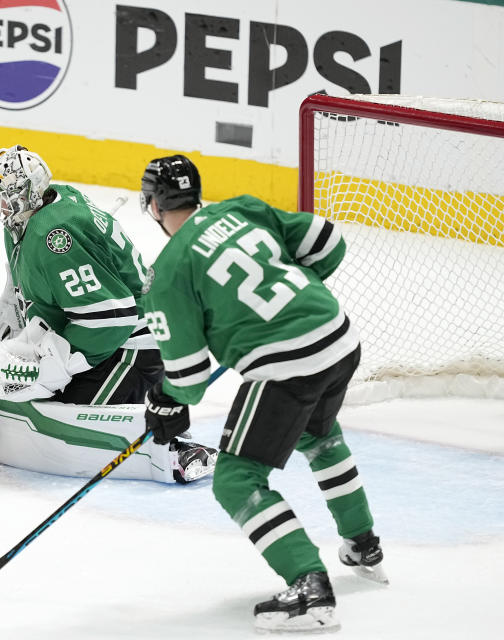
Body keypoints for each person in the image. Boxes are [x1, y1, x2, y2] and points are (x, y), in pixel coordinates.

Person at [138, 155, 386, 632]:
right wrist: (292, 297)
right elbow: (328, 243)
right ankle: (363, 543)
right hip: (338, 338)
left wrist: (165, 399)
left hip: (287, 368)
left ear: (153, 205)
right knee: (320, 436)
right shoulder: (242, 208)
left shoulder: (168, 270)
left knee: (235, 480)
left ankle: (309, 586)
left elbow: (187, 378)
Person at [0, 145, 217, 484]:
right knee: (43, 394)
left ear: (26, 191)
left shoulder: (55, 235)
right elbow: (54, 293)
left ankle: (178, 451)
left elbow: (111, 316)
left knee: (63, 415)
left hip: (137, 343)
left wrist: (62, 362)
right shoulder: (42, 212)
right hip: (117, 336)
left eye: (3, 195)